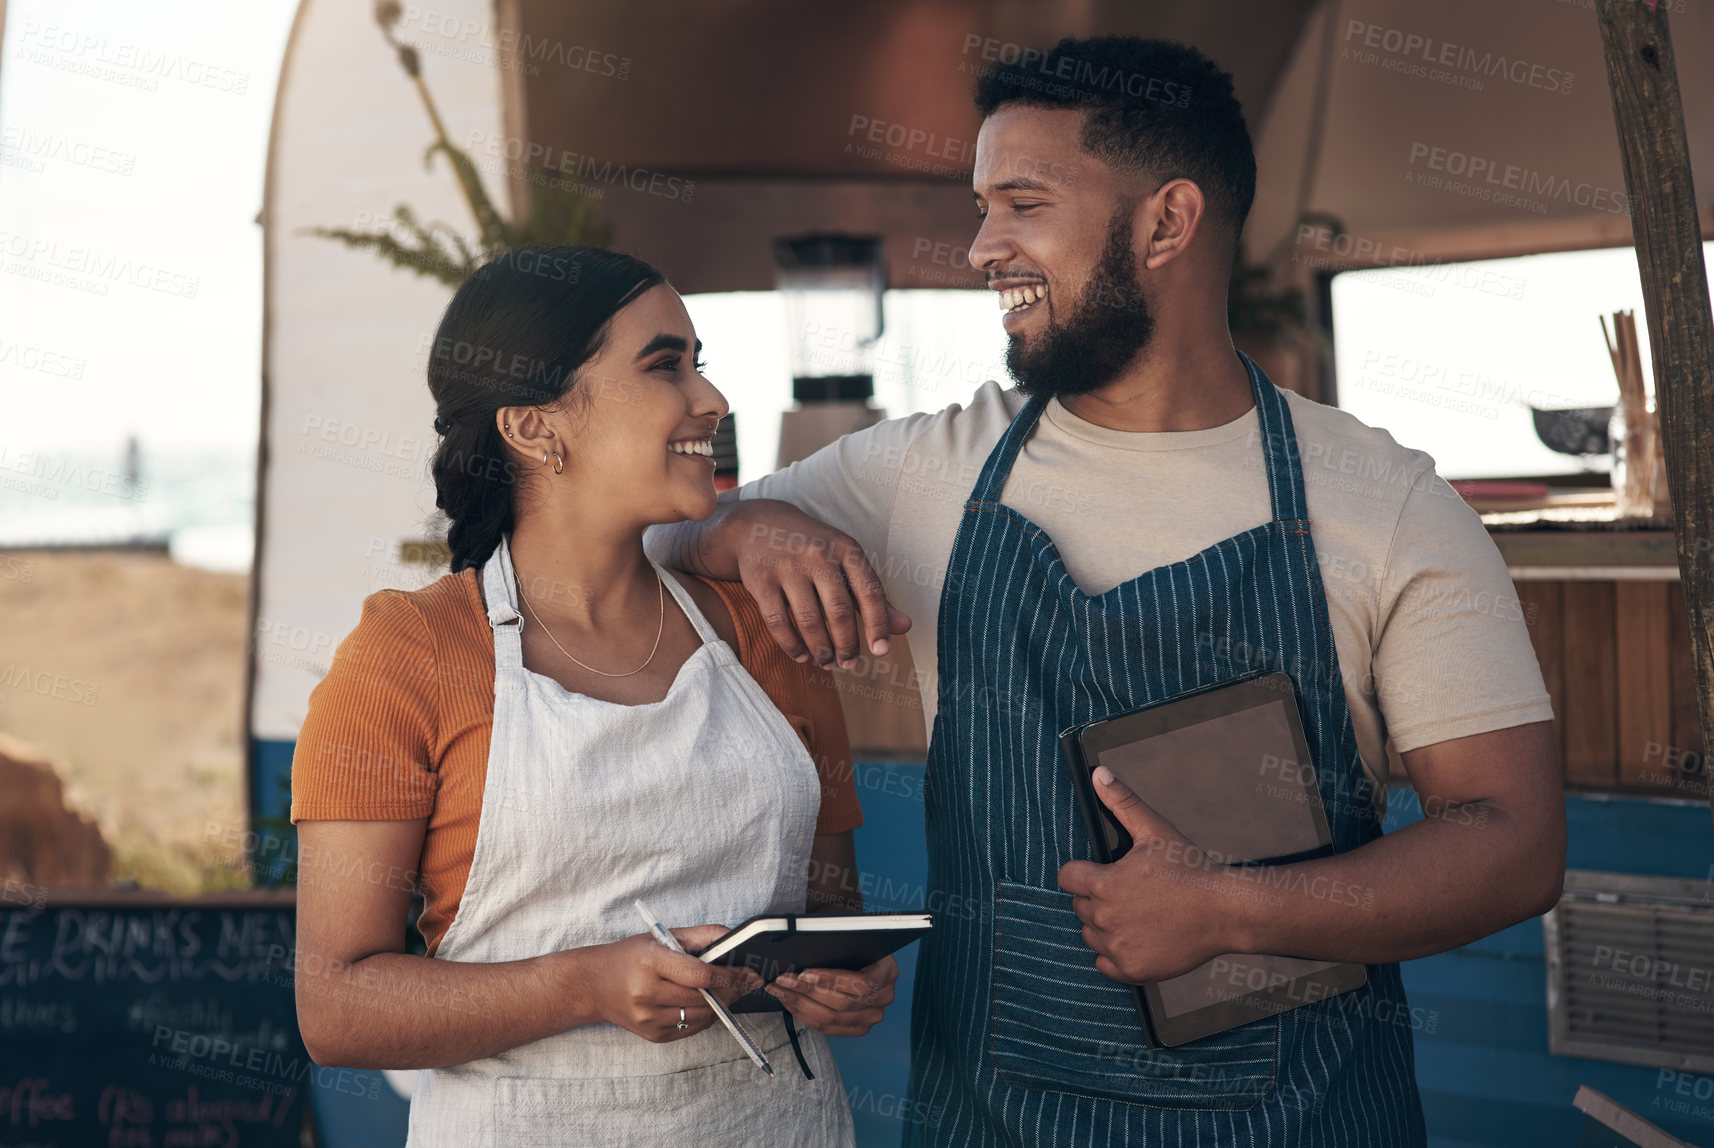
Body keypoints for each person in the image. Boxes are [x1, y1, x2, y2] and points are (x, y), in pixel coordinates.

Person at [646, 34, 1565, 1146]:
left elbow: (1513, 842)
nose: (981, 246)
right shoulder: (923, 471)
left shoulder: (1386, 503)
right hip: (993, 1113)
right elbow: (650, 532)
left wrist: (1234, 909)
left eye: (1021, 203)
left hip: (1307, 1118)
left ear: (1166, 223)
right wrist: (754, 525)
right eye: (980, 205)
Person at [290, 246, 896, 1146]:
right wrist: (583, 985)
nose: (711, 400)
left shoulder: (762, 632)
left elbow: (828, 911)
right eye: (664, 365)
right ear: (535, 428)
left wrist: (843, 976)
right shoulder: (407, 658)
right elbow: (337, 1007)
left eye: (701, 363)